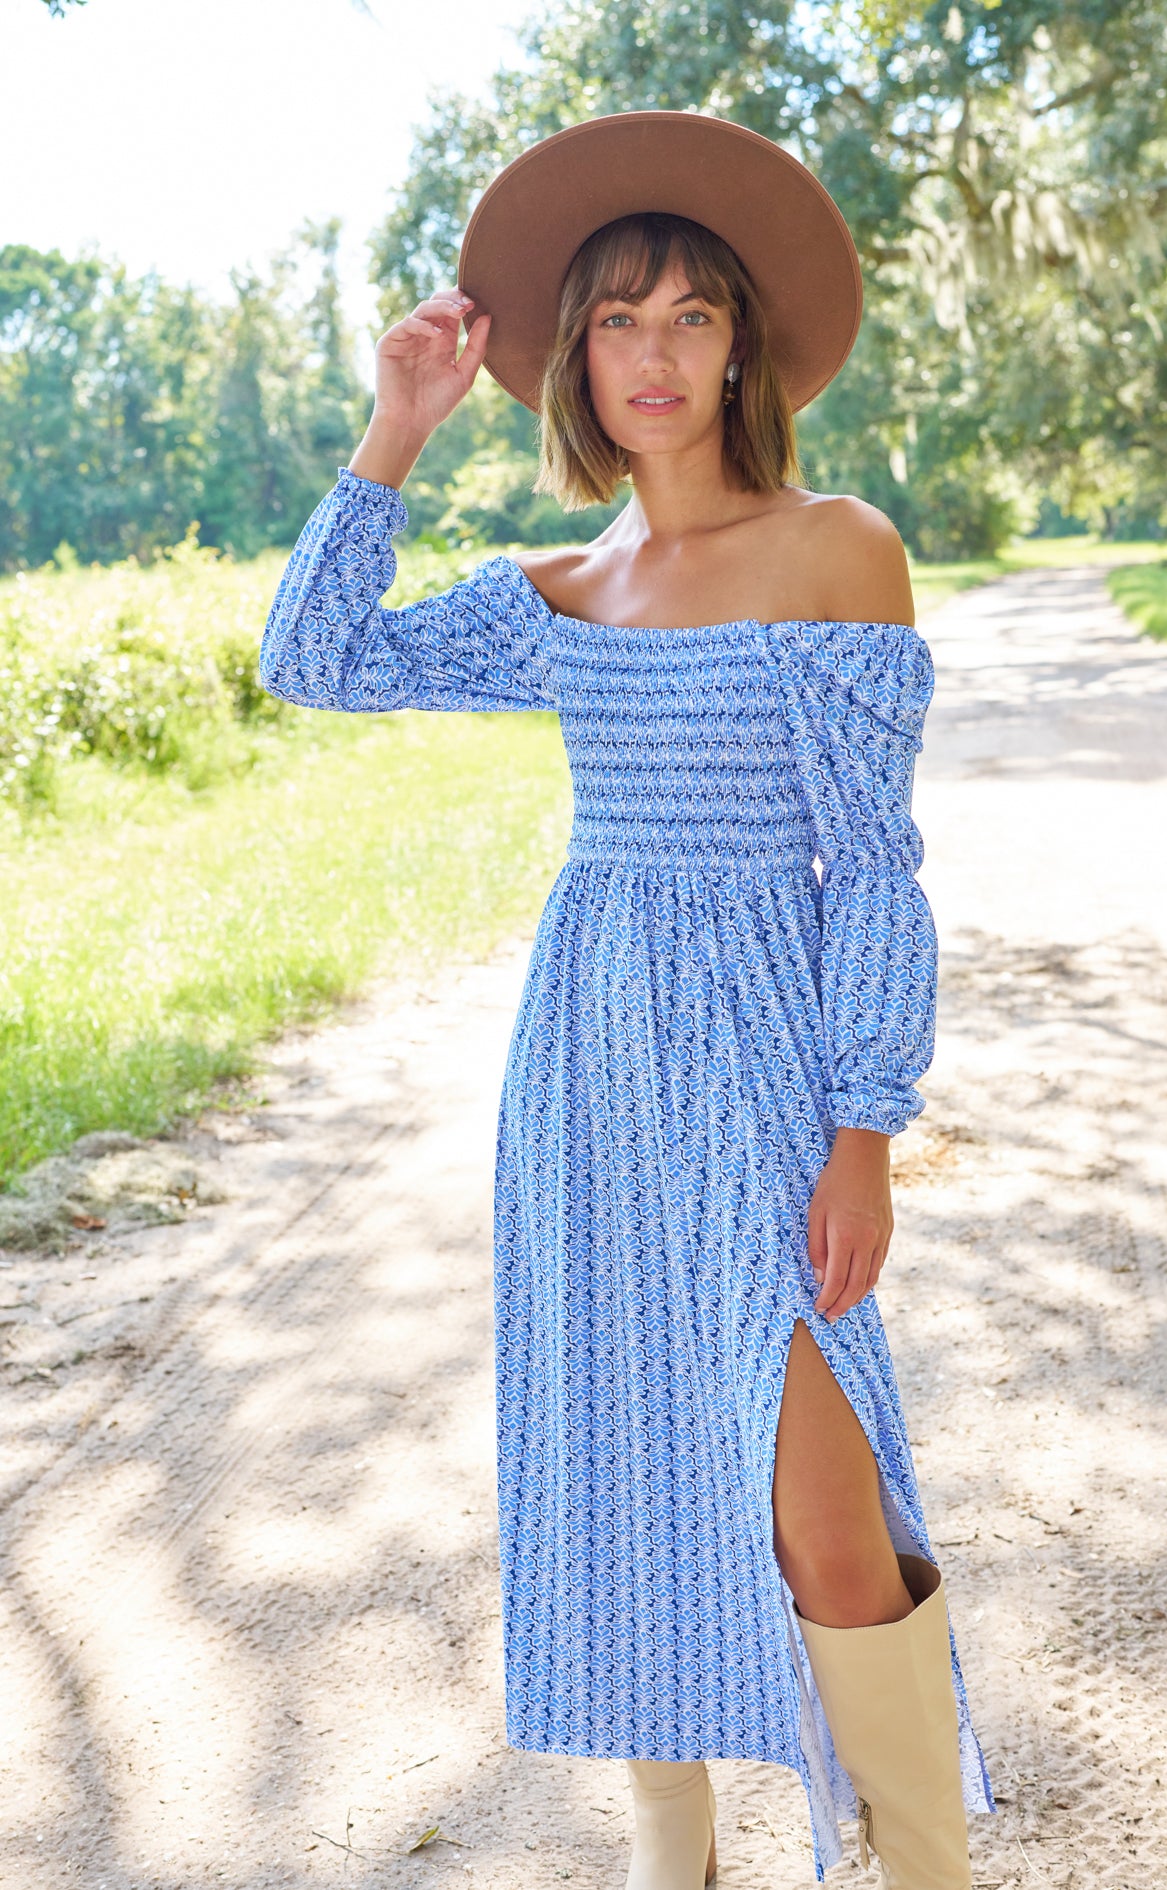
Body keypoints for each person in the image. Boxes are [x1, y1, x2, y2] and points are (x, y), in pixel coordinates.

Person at [259, 110, 996, 1889]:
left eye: (685, 316)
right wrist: (397, 429)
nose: (651, 355)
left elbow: (873, 873)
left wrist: (865, 1129)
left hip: (762, 1066)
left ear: (740, 340)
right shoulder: (563, 592)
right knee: (634, 1488)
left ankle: (926, 1870)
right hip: (588, 1079)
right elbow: (312, 658)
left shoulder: (837, 550)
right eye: (615, 322)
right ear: (574, 357)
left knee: (826, 1521)